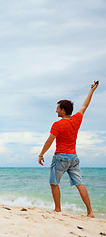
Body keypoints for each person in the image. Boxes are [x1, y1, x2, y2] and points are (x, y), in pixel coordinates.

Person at [38, 81, 98, 218]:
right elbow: (85, 105)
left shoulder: (58, 124)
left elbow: (49, 141)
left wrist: (41, 154)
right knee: (80, 183)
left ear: (63, 110)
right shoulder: (76, 119)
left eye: (57, 108)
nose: (56, 110)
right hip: (74, 157)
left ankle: (58, 209)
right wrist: (92, 91)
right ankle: (90, 212)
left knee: (54, 183)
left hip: (60, 157)